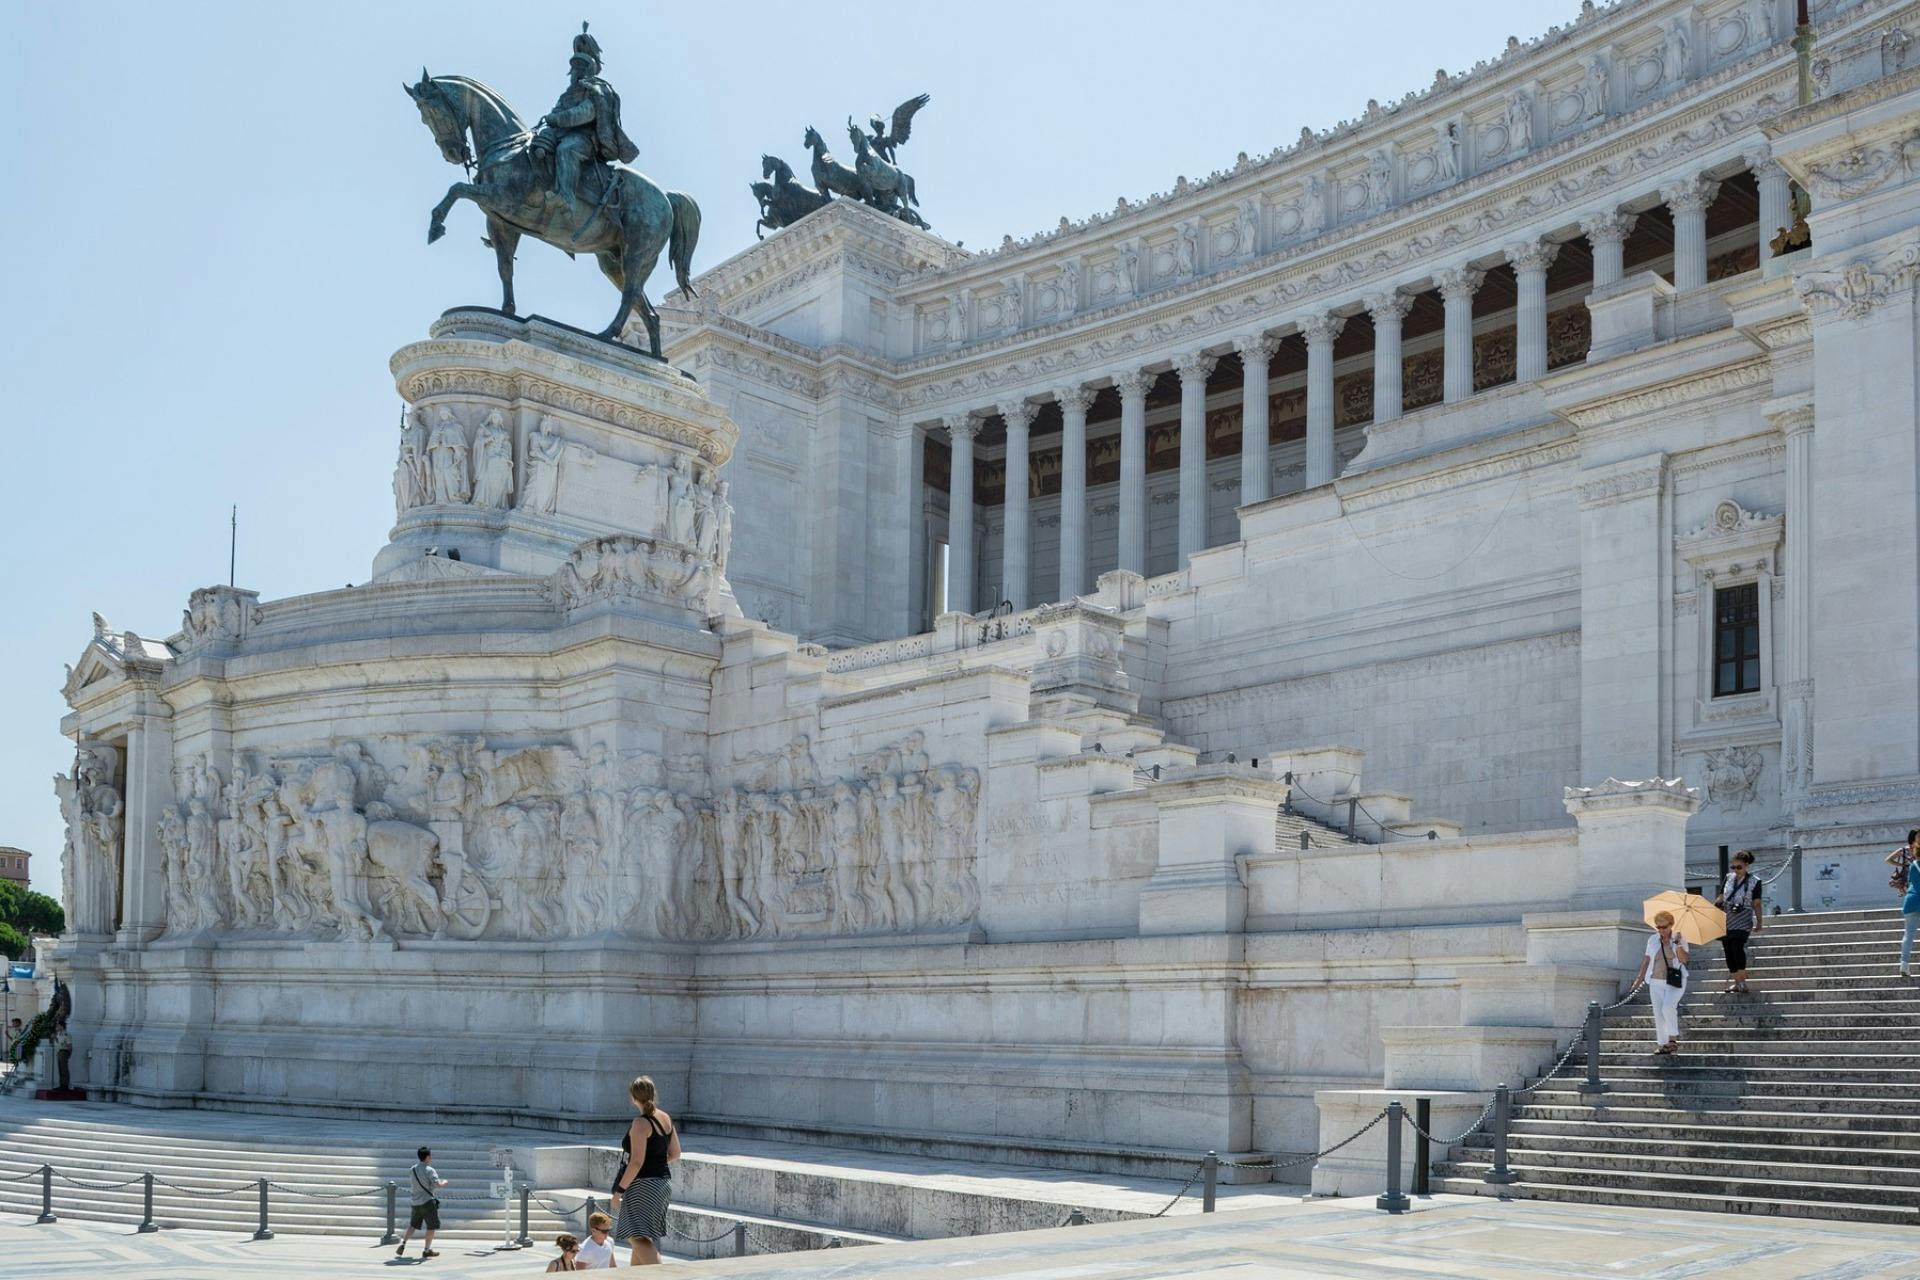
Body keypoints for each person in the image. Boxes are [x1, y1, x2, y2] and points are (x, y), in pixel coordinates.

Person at [611, 1075, 680, 1266]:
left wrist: (619, 1191)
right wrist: (656, 1161)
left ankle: (660, 1275)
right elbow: (675, 1153)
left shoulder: (640, 1123)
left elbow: (636, 1162)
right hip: (663, 1184)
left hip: (643, 1185)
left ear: (633, 1097)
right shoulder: (665, 1118)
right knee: (642, 1236)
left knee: (635, 1236)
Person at [1632, 911, 1690, 1055]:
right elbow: (1646, 961)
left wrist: (1676, 944)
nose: (1661, 930)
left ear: (1671, 925)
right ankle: (1663, 1044)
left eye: (1664, 927)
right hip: (1656, 981)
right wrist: (1639, 979)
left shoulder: (1679, 938)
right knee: (1658, 1013)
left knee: (1668, 1007)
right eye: (1658, 927)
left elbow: (1684, 960)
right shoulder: (1652, 939)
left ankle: (1673, 1040)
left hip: (1675, 980)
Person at [1715, 850, 1764, 994]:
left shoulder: (1755, 881)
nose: (1736, 870)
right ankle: (1736, 982)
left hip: (1743, 917)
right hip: (1726, 917)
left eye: (1739, 867)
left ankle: (1742, 981)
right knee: (1728, 950)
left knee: (1737, 946)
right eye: (1733, 867)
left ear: (1746, 865)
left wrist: (1759, 922)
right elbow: (1721, 896)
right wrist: (1716, 904)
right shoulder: (1728, 878)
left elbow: (1757, 903)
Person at [396, 1145, 446, 1259]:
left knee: (412, 1225)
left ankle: (403, 1243)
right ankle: (427, 1250)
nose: (432, 1157)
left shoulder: (412, 1169)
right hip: (427, 1202)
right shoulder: (430, 1170)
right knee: (431, 1226)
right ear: (427, 1157)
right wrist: (444, 1183)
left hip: (415, 1202)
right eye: (431, 1155)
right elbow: (437, 1184)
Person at [1888, 829, 1920, 978]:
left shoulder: (1913, 864)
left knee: (1908, 934)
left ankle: (1904, 964)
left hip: (1910, 899)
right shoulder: (1907, 852)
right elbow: (1888, 859)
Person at [54, 1020, 72, 1089]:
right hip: (59, 1052)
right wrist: (55, 1038)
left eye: (58, 1026)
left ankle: (65, 1085)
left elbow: (69, 1045)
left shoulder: (66, 1034)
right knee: (60, 1069)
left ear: (62, 1026)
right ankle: (61, 1084)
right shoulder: (58, 1034)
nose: (57, 1027)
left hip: (64, 1052)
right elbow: (58, 1043)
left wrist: (69, 1054)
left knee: (64, 1069)